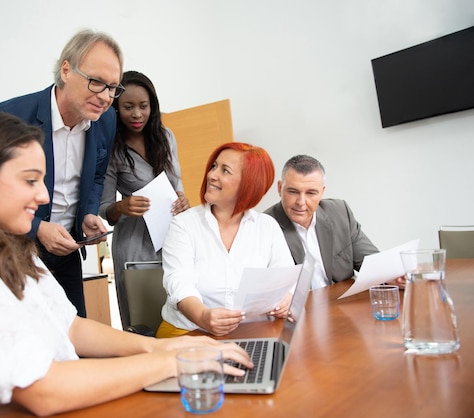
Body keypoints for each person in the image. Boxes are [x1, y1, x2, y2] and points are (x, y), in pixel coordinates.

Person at [0, 111, 252, 418]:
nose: (44, 196)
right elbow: (42, 390)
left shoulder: (8, 248)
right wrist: (173, 362)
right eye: (30, 180)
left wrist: (161, 348)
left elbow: (68, 326)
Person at [0, 29, 122, 316]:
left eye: (113, 87)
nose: (105, 97)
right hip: (15, 252)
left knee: (74, 341)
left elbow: (97, 176)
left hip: (67, 252)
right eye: (97, 82)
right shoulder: (9, 117)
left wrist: (89, 213)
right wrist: (37, 228)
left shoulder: (106, 120)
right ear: (66, 70)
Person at [156, 142, 295, 338]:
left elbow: (286, 279)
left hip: (252, 331)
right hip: (190, 330)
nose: (212, 175)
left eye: (225, 170)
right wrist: (203, 316)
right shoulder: (183, 225)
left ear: (249, 184)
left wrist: (287, 299)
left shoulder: (267, 226)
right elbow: (178, 282)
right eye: (214, 166)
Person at [99, 70, 190, 329]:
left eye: (143, 106)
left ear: (153, 106)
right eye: (128, 107)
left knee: (178, 313)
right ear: (115, 108)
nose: (137, 114)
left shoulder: (166, 136)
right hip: (134, 243)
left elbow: (177, 185)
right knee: (144, 321)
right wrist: (122, 206)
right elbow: (106, 210)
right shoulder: (111, 148)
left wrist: (183, 199)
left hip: (171, 235)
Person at [264, 154, 405, 289]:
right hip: (301, 310)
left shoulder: (340, 212)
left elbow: (372, 263)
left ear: (322, 192)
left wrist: (393, 275)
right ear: (280, 188)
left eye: (311, 193)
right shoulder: (265, 226)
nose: (301, 202)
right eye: (293, 191)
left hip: (342, 305)